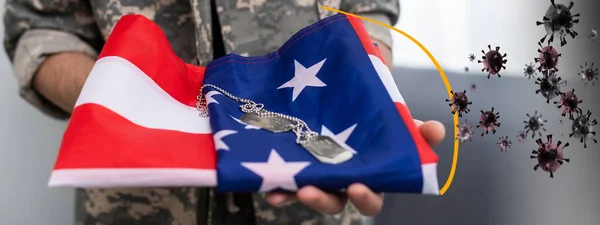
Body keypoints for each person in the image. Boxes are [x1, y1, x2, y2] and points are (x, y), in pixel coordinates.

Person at [3, 0, 446, 224]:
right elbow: (41, 29)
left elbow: (368, 10)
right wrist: (132, 99)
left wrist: (359, 93)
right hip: (140, 203)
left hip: (316, 197)